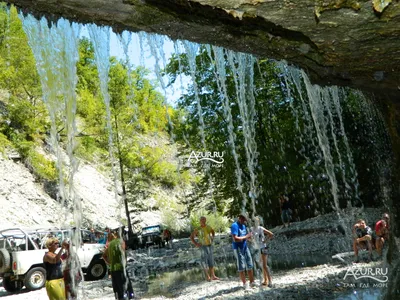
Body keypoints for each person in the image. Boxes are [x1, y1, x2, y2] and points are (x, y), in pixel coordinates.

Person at [190, 216, 219, 281]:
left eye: (204, 220)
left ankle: (213, 276)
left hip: (209, 245)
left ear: (205, 220)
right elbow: (191, 237)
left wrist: (212, 237)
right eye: (201, 220)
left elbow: (213, 232)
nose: (203, 221)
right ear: (200, 221)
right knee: (204, 262)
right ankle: (208, 276)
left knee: (211, 261)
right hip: (203, 246)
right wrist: (196, 244)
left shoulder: (208, 227)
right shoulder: (197, 229)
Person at [231, 214, 256, 289]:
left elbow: (245, 237)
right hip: (238, 248)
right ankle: (245, 284)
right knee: (241, 266)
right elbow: (235, 238)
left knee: (250, 264)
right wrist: (246, 236)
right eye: (243, 219)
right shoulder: (234, 225)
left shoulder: (244, 226)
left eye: (245, 220)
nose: (244, 221)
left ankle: (252, 282)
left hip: (245, 247)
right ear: (239, 218)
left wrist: (251, 239)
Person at [102, 231, 128, 300]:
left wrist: (109, 263)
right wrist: (125, 263)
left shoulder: (109, 245)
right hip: (121, 268)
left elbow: (104, 256)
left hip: (113, 270)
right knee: (124, 287)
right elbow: (124, 254)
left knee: (117, 289)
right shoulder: (120, 242)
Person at [250, 216, 274, 287]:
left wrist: (265, 241)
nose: (255, 223)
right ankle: (265, 281)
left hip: (263, 248)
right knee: (261, 265)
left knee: (264, 265)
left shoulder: (261, 228)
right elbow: (250, 238)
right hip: (257, 248)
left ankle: (270, 282)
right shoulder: (251, 229)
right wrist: (252, 241)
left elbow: (271, 234)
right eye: (254, 221)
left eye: (256, 221)